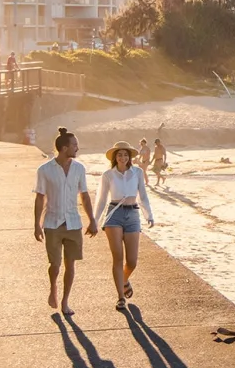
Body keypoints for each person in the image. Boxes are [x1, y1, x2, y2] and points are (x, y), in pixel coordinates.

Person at [34, 127, 98, 316]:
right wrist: (36, 224)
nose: (77, 148)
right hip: (52, 223)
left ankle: (65, 301)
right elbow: (40, 197)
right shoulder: (45, 170)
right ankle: (53, 287)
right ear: (64, 148)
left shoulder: (79, 168)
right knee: (55, 265)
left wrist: (92, 220)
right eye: (74, 145)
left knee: (71, 265)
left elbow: (84, 196)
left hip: (73, 224)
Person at [96, 141, 155, 312]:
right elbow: (101, 199)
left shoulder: (137, 172)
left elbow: (142, 196)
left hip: (133, 214)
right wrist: (95, 220)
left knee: (132, 261)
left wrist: (149, 215)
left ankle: (123, 280)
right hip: (114, 214)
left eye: (125, 154)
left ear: (130, 156)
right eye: (119, 154)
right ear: (115, 157)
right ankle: (120, 297)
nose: (123, 157)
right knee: (118, 258)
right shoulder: (108, 175)